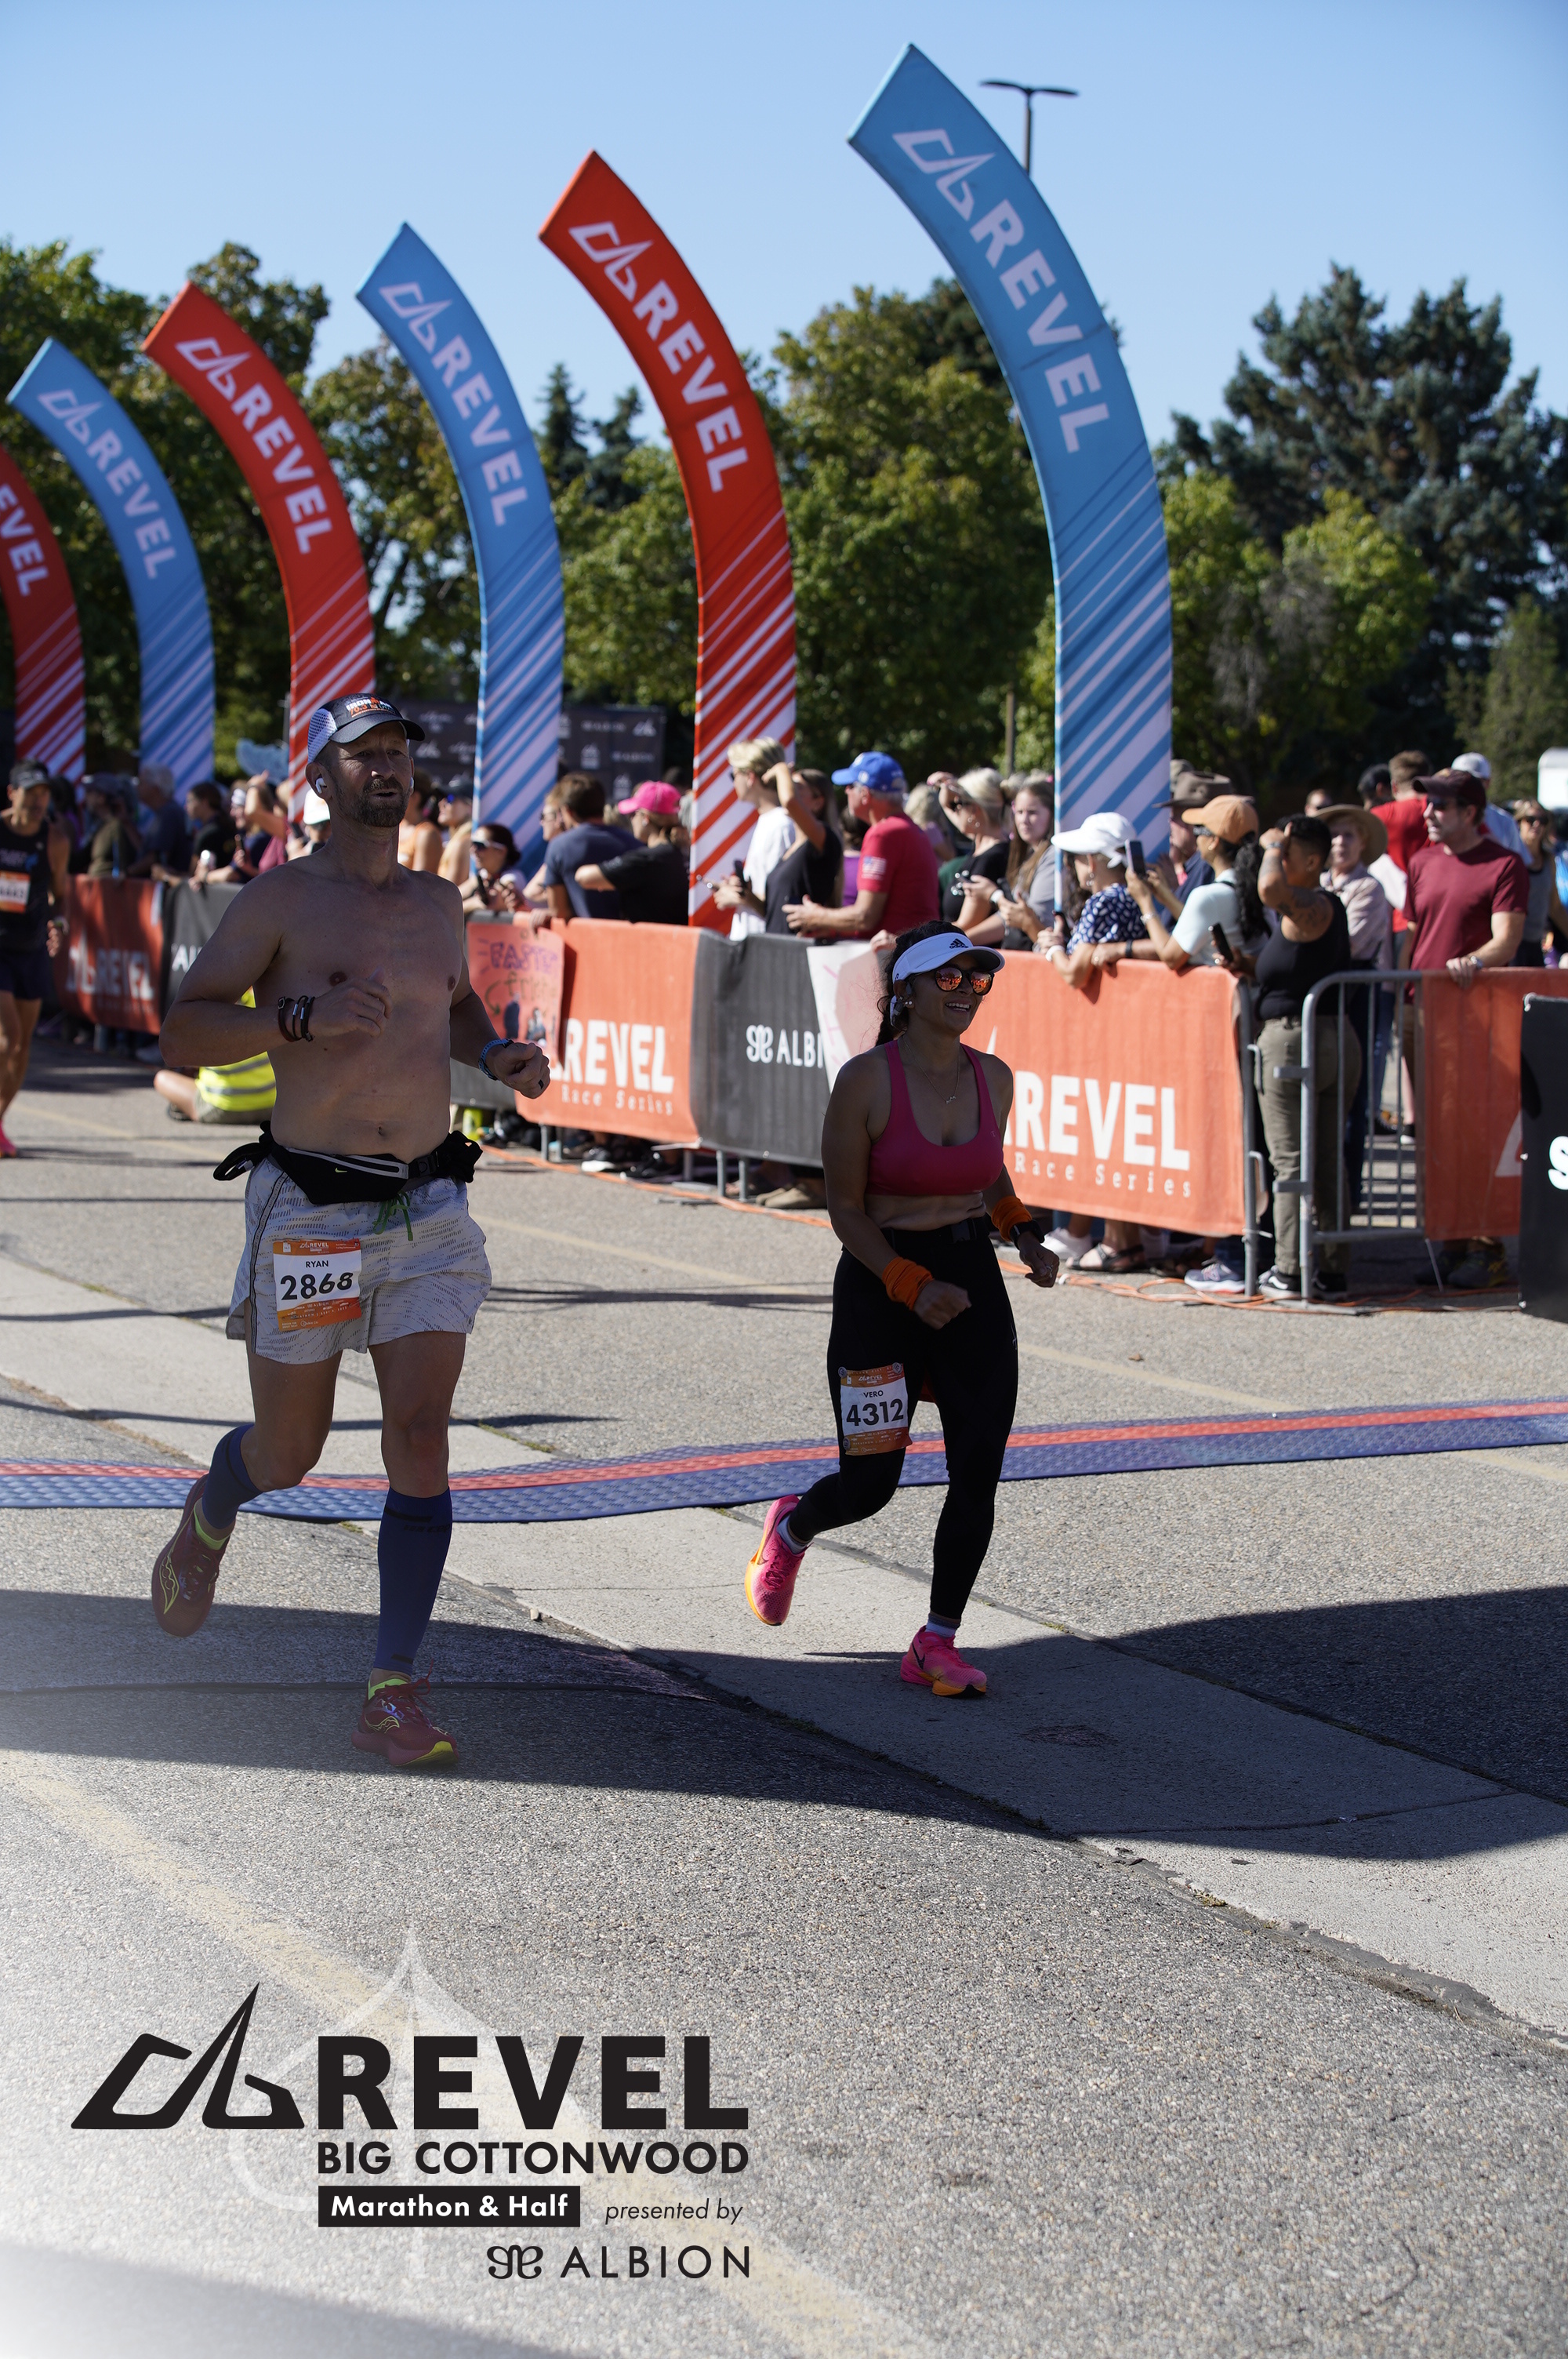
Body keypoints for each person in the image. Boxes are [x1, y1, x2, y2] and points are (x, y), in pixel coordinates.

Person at [148, 693, 550, 1769]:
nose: (387, 765)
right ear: (320, 781)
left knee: (419, 1433)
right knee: (290, 1452)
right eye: (363, 752)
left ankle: (390, 1685)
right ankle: (212, 1506)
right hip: (313, 1211)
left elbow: (449, 1006)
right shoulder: (282, 897)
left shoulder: (436, 899)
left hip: (425, 1205)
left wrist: (496, 1054)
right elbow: (183, 1028)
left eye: (398, 750)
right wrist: (298, 1020)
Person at [741, 921, 1057, 1696]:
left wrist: (1021, 1230)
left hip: (969, 1281)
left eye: (976, 978)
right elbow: (845, 1210)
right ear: (906, 992)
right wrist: (910, 1283)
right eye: (947, 977)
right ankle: (792, 1527)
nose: (964, 991)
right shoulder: (866, 1081)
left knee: (977, 1468)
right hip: (880, 1284)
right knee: (870, 1484)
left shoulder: (994, 1077)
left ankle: (936, 1640)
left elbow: (986, 1171)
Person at [1403, 769, 1527, 1292]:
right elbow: (1413, 934)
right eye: (1427, 803)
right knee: (1433, 1131)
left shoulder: (1505, 863)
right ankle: (1450, 1241)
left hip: (1473, 1016)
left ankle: (1486, 1247)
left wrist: (1471, 962)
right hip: (1420, 1011)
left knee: (1474, 1129)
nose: (1428, 813)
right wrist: (1399, 993)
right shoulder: (1421, 861)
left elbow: (1506, 940)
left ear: (1471, 813)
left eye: (1440, 805)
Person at [1232, 814, 1358, 1300]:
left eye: (1287, 854)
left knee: (1295, 1160)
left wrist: (1270, 845)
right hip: (1316, 1037)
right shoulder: (1306, 913)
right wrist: (1245, 965)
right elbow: (1291, 968)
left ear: (1311, 861)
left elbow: (1268, 888)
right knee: (1321, 1159)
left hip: (1299, 1041)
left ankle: (1290, 1269)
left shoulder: (1317, 905)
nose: (1278, 860)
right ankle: (1330, 1268)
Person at [1040, 811, 1157, 1274]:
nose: (1076, 866)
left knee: (1108, 1135)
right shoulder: (1133, 898)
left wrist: (1050, 948)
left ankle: (1119, 1243)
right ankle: (1121, 1240)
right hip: (1131, 1030)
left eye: (1080, 857)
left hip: (1107, 1035)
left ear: (1093, 860)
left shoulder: (1104, 902)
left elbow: (1074, 971)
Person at [1318, 803, 1393, 1209]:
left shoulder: (1370, 889)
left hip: (1356, 998)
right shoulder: (1317, 883)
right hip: (1324, 999)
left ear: (1363, 842)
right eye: (1334, 835)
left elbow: (1347, 944)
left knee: (1352, 1097)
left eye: (1348, 835)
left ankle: (1346, 1198)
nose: (1340, 843)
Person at [784, 751, 939, 940]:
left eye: (850, 786)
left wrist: (815, 916)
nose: (846, 791)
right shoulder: (912, 830)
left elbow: (865, 916)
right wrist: (834, 928)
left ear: (865, 794)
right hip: (912, 947)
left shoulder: (883, 833)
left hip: (897, 952)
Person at [0, 761, 71, 1158]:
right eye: (31, 793)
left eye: (45, 793)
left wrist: (58, 922)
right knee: (7, 1036)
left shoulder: (54, 840)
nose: (39, 801)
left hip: (29, 948)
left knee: (22, 1044)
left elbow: (60, 895)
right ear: (12, 793)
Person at [1123, 794, 1264, 972]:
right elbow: (1198, 919)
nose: (1196, 837)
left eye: (1199, 830)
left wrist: (1145, 902)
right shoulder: (1257, 887)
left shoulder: (1207, 896)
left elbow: (1170, 957)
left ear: (1213, 841)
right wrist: (1166, 896)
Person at [713, 763, 839, 933]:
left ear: (818, 803)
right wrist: (746, 895)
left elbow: (790, 801)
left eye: (796, 788)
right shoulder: (795, 848)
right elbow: (774, 910)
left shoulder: (824, 839)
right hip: (777, 942)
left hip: (797, 945)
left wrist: (780, 768)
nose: (785, 792)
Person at [154, 990, 277, 1127]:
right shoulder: (261, 1004)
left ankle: (183, 1107)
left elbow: (188, 1059)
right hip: (270, 1106)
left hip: (222, 1107)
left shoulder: (206, 1015)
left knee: (161, 1078)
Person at [575, 783, 690, 925]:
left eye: (633, 814)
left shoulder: (647, 859)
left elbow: (583, 877)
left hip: (651, 939)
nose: (631, 820)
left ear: (646, 818)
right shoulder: (684, 853)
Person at [713, 740, 793, 940]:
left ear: (750, 777)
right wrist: (740, 891)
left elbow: (779, 904)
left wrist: (740, 896)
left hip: (763, 945)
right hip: (756, 943)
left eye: (734, 775)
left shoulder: (780, 824)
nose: (733, 782)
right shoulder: (772, 821)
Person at [541, 775, 627, 919]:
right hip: (632, 932)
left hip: (585, 933)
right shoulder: (632, 843)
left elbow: (559, 912)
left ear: (568, 811)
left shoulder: (559, 846)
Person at [985, 776, 1055, 949]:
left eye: (1032, 812)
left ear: (1052, 814)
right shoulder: (1031, 855)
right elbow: (1009, 918)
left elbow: (1034, 918)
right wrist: (962, 936)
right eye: (1020, 812)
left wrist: (994, 895)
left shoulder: (1053, 856)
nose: (1024, 820)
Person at [940, 771, 1013, 932]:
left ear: (974, 810)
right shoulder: (981, 843)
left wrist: (915, 937)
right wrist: (948, 786)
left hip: (964, 946)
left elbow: (964, 927)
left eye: (958, 805)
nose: (956, 811)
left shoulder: (990, 860)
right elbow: (947, 806)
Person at [1512, 800, 1567, 966]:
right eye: (1530, 820)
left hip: (1536, 943)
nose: (1537, 825)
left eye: (1542, 821)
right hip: (1512, 946)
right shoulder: (1511, 858)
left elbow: (1555, 906)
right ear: (1519, 822)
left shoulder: (1549, 859)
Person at [1451, 753, 1525, 857]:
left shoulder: (1505, 823)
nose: (1466, 786)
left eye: (1474, 781)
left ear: (1488, 783)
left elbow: (1516, 862)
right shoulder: (1441, 817)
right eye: (1459, 780)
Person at [127, 764, 190, 881]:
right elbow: (145, 850)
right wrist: (126, 823)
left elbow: (156, 857)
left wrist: (127, 873)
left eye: (141, 783)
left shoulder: (169, 813)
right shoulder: (166, 812)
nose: (137, 788)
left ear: (155, 788)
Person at [82, 777, 141, 878]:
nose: (85, 797)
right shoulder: (100, 825)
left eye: (89, 792)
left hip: (110, 886)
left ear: (102, 797)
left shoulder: (117, 826)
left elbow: (122, 863)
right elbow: (82, 858)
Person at [459, 823, 523, 912]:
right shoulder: (484, 875)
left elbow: (490, 903)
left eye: (480, 845)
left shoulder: (512, 877)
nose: (473, 850)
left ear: (501, 851)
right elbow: (453, 896)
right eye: (472, 844)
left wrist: (475, 903)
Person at [399, 772, 445, 874]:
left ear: (415, 797)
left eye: (400, 792)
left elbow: (420, 881)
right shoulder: (395, 827)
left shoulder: (427, 834)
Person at [437, 788, 474, 885]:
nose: (441, 804)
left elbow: (448, 890)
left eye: (450, 799)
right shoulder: (458, 840)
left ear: (470, 807)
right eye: (441, 798)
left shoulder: (463, 843)